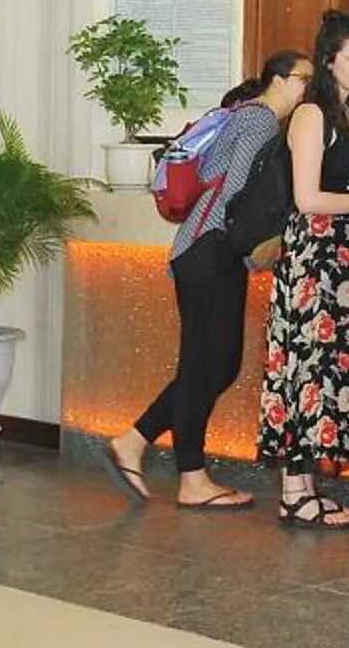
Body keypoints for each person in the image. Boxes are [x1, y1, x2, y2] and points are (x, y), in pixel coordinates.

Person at [108, 50, 310, 511]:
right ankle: (189, 475)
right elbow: (234, 186)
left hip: (205, 249)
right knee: (208, 364)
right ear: (277, 80)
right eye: (301, 80)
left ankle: (135, 442)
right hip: (212, 247)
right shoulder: (261, 120)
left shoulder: (246, 116)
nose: (305, 90)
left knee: (214, 364)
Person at [258, 10, 349, 527]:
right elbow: (308, 198)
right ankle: (292, 488)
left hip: (343, 262)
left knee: (329, 370)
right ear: (329, 62)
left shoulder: (347, 118)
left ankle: (304, 485)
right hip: (315, 261)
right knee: (306, 367)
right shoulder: (312, 116)